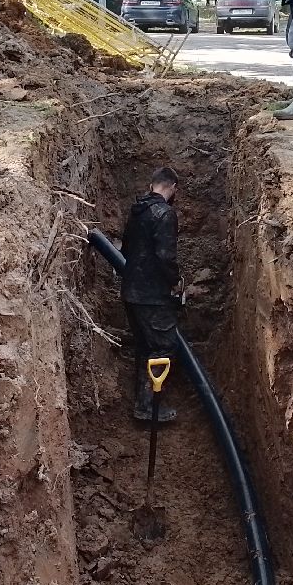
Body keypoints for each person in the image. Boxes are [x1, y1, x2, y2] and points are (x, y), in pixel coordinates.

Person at [119, 167, 183, 423]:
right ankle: (149, 407)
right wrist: (175, 282)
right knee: (163, 347)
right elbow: (166, 256)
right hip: (152, 296)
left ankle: (143, 403)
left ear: (152, 185)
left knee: (145, 347)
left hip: (131, 292)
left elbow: (125, 248)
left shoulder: (137, 210)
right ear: (173, 187)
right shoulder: (165, 214)